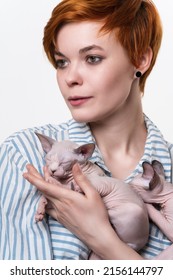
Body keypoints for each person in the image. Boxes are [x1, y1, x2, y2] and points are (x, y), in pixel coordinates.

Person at [0, 0, 173, 260]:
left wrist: (102, 239)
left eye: (92, 58)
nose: (70, 77)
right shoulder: (24, 154)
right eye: (62, 62)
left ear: (141, 59)